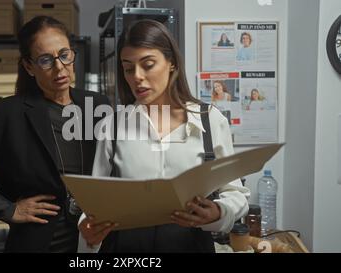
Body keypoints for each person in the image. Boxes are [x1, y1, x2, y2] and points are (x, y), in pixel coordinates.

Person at [77, 19, 250, 253]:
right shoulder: (113, 126)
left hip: (191, 244)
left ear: (171, 63)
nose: (136, 76)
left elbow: (235, 194)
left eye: (147, 65)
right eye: (128, 68)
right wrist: (87, 229)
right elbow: (95, 203)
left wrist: (218, 213)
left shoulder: (210, 120)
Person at [0, 16, 110, 252]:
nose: (59, 67)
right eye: (45, 60)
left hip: (97, 239)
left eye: (64, 54)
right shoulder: (6, 114)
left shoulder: (99, 105)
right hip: (41, 242)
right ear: (29, 66)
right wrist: (8, 209)